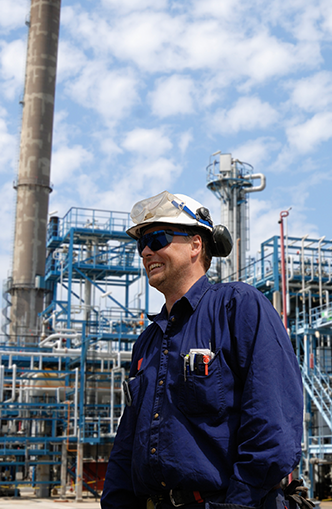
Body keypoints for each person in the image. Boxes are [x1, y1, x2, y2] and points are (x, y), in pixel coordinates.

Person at [102, 191, 303, 509]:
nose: (145, 252)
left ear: (196, 245)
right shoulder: (147, 343)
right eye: (140, 244)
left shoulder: (237, 306)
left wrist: (237, 504)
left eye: (157, 238)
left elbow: (273, 424)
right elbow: (128, 440)